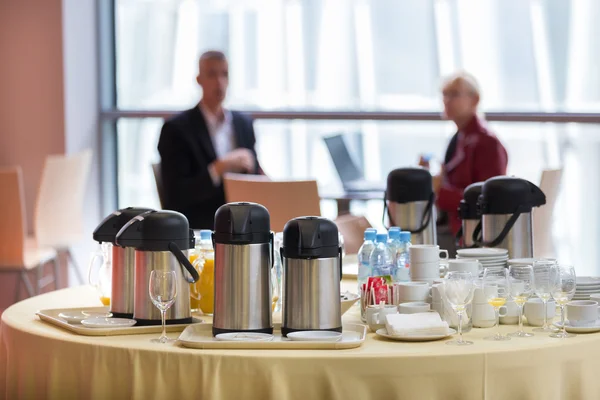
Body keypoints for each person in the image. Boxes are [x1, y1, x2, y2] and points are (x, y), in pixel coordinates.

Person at [158, 50, 263, 229]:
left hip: (246, 222)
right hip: (203, 224)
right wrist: (218, 168)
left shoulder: (243, 123)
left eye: (224, 74)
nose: (219, 82)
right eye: (212, 74)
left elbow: (255, 173)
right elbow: (175, 196)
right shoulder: (176, 129)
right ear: (199, 79)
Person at [421, 72, 508, 243]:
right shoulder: (459, 138)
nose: (446, 100)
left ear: (474, 100)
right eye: (444, 94)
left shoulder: (487, 143)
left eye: (453, 94)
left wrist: (439, 190)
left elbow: (488, 202)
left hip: (470, 233)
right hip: (455, 226)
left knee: (411, 245)